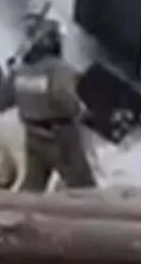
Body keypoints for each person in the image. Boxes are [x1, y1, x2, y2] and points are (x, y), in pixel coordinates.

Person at [7, 17, 97, 193]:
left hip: (32, 133)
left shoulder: (19, 71)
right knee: (82, 186)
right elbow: (62, 95)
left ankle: (18, 214)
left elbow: (5, 98)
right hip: (60, 135)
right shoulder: (58, 69)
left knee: (33, 184)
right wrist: (80, 111)